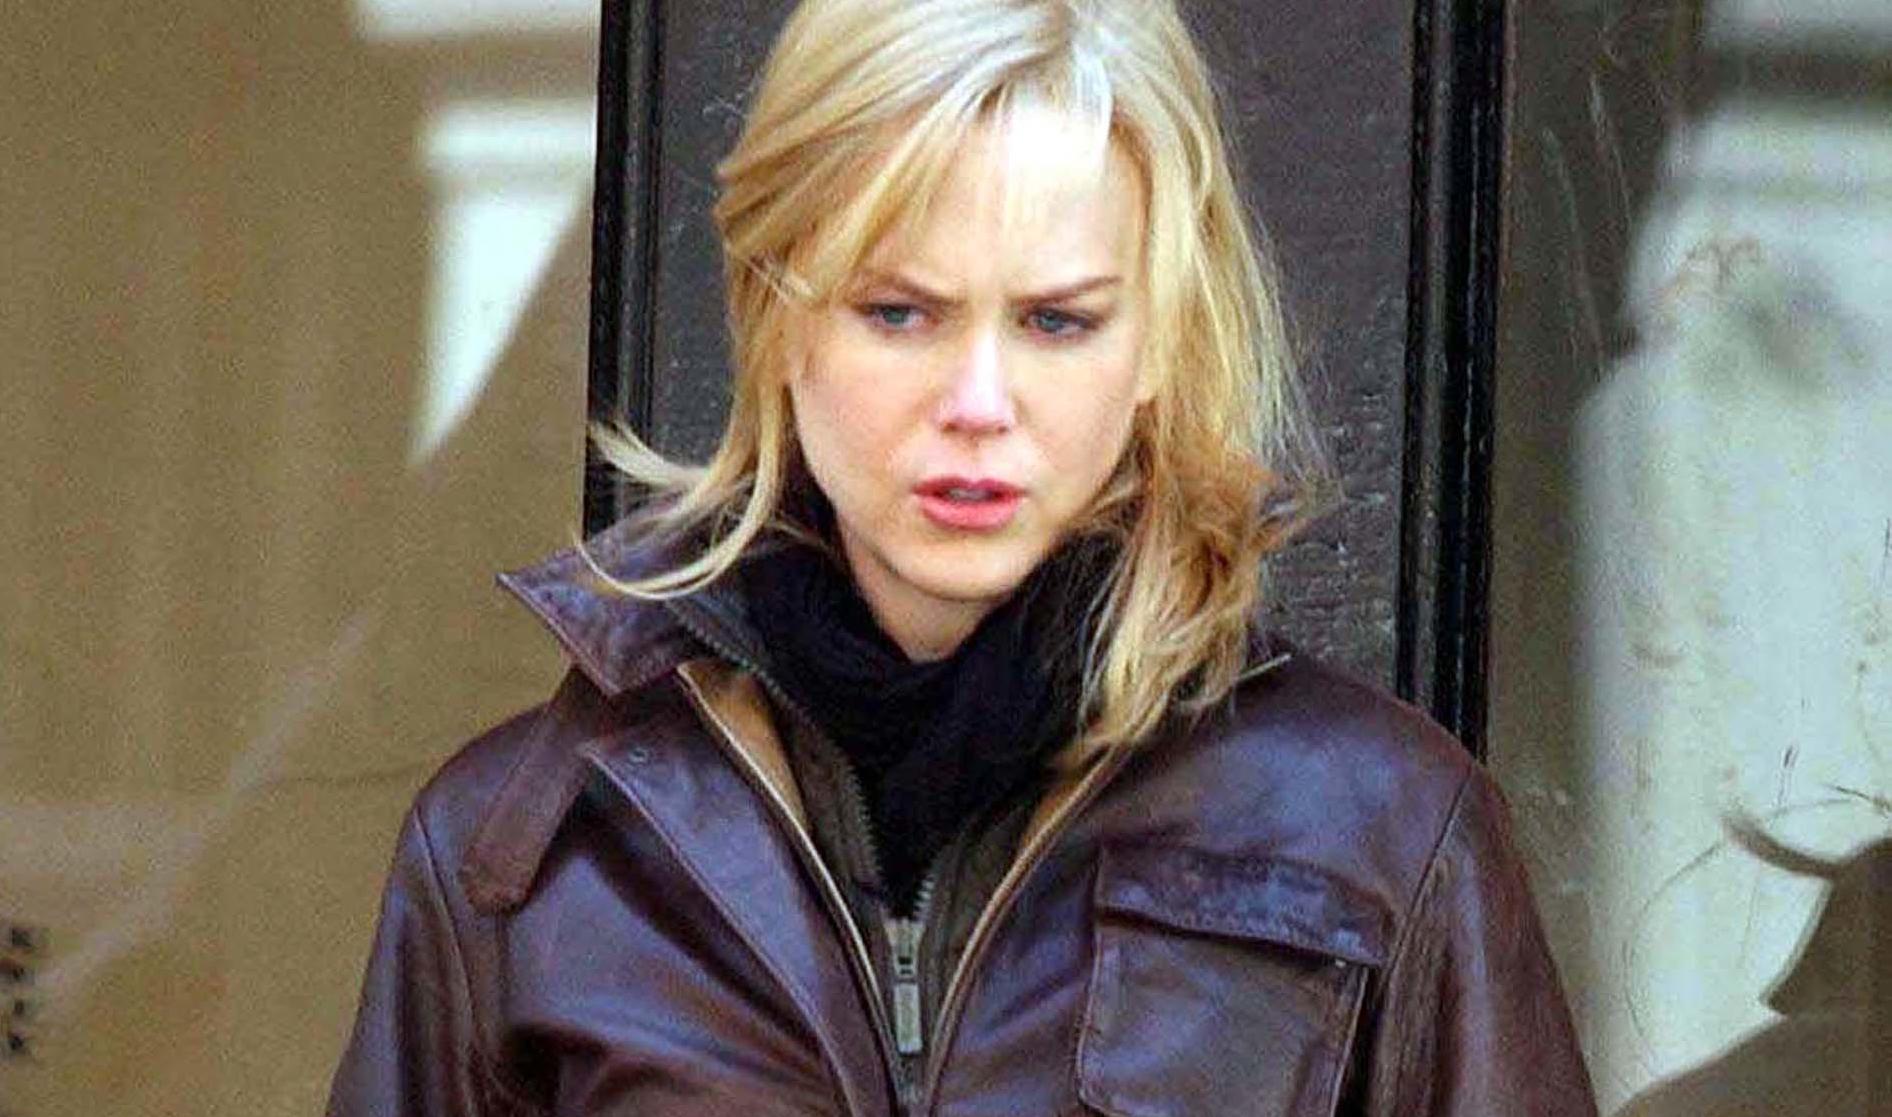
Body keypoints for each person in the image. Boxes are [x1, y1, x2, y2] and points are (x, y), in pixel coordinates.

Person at [327, 1, 1598, 1114]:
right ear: (777, 321)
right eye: (899, 312)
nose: (977, 402)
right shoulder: (523, 853)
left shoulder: (1379, 833)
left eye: (1055, 321)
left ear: (1156, 346)